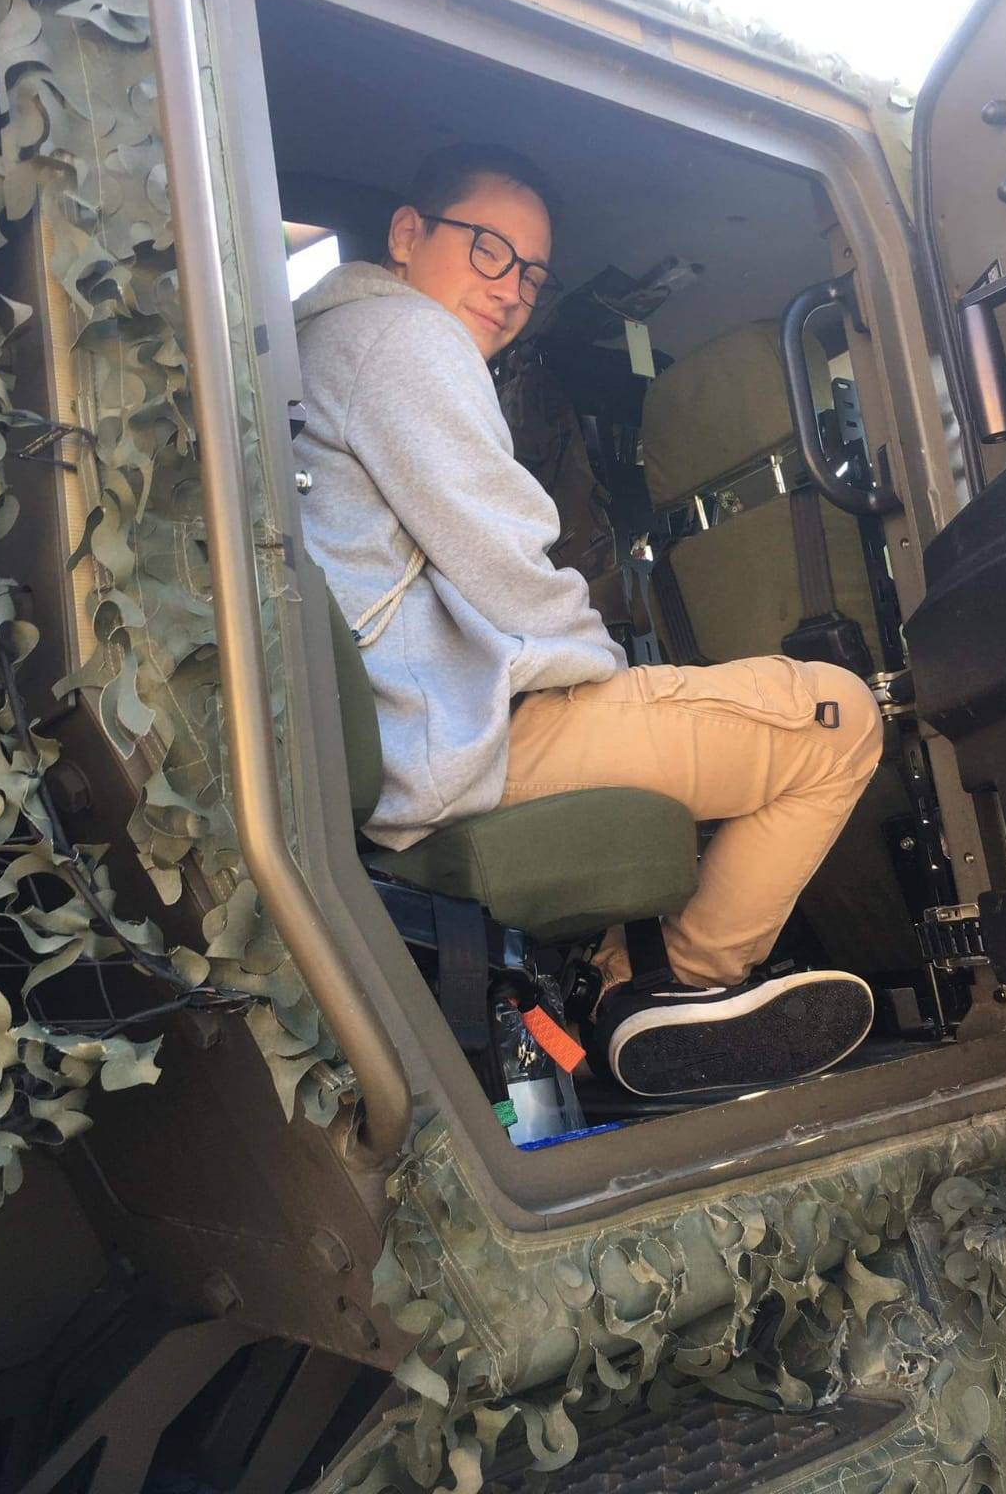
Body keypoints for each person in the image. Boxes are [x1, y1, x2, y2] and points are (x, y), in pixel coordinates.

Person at [294, 142, 883, 1096]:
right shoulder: (403, 338)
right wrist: (610, 671)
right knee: (839, 720)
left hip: (409, 739)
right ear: (406, 234)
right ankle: (675, 986)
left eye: (531, 273)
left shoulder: (321, 347)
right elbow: (503, 559)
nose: (511, 289)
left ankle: (627, 979)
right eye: (488, 248)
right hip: (457, 743)